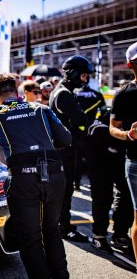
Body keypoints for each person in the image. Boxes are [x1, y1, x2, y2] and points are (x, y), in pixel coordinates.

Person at [0, 74, 73, 279]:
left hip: (22, 178)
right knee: (51, 230)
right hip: (54, 174)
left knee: (30, 239)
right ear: (17, 91)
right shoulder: (41, 109)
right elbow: (66, 139)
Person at [49, 55, 92, 242]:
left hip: (63, 147)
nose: (85, 80)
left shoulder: (63, 91)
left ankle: (60, 225)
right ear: (72, 73)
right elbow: (80, 119)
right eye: (83, 76)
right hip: (64, 150)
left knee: (63, 190)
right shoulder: (63, 94)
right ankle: (64, 228)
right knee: (65, 190)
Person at [109, 41, 137, 279]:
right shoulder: (124, 94)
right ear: (130, 65)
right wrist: (128, 135)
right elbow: (112, 128)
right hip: (136, 161)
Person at [87, 112, 133, 254]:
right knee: (103, 198)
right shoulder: (99, 127)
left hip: (121, 161)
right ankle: (98, 236)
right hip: (100, 164)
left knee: (126, 196)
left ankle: (120, 234)